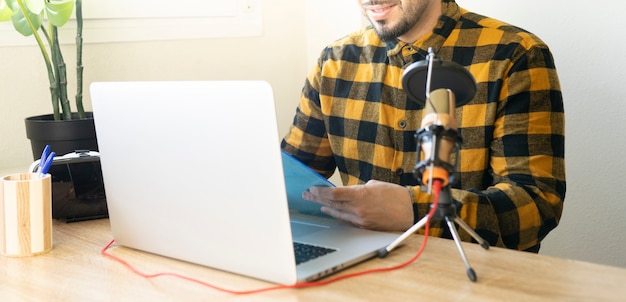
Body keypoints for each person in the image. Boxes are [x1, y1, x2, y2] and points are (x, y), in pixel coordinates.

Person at [280, 0, 565, 253]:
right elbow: (292, 180)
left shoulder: (515, 55)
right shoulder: (335, 61)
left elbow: (537, 205)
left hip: (471, 276)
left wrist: (414, 209)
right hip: (361, 270)